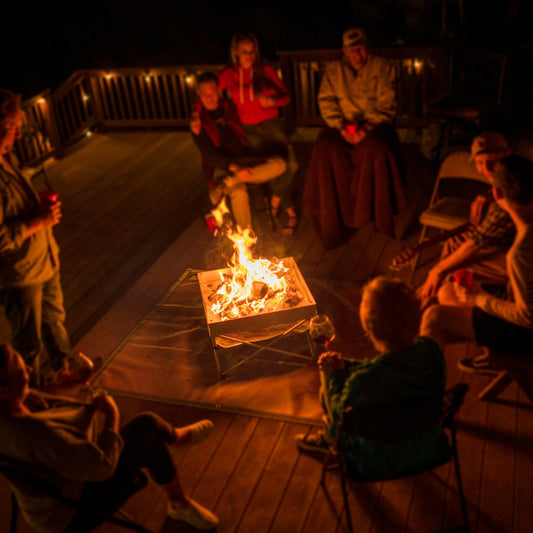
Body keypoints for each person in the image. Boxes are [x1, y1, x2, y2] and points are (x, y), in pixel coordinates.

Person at [0, 343, 219, 532]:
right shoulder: (36, 435)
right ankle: (176, 441)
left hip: (40, 504)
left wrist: (63, 385)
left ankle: (178, 498)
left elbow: (32, 395)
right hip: (71, 512)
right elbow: (102, 466)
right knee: (147, 426)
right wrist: (112, 416)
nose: (29, 369)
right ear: (4, 389)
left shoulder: (8, 413)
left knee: (146, 436)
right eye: (22, 371)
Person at [295, 277, 447, 480]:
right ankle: (328, 435)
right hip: (429, 447)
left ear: (368, 327)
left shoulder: (364, 382)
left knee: (326, 388)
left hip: (376, 462)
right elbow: (393, 367)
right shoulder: (431, 351)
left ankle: (329, 439)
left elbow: (341, 414)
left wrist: (335, 374)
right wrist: (347, 366)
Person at [0, 90, 91, 389]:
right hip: (19, 273)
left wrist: (41, 211)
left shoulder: (8, 159)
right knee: (28, 340)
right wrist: (38, 221)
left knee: (54, 320)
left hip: (44, 258)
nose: (18, 134)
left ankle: (60, 372)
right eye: (13, 128)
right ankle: (31, 395)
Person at [304, 27, 408, 249]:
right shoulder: (334, 71)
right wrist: (341, 128)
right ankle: (334, 215)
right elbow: (327, 100)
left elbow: (387, 103)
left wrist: (367, 127)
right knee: (325, 147)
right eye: (353, 51)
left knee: (375, 149)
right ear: (345, 51)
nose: (357, 55)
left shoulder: (382, 67)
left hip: (375, 125)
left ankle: (373, 213)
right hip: (344, 125)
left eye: (361, 50)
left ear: (367, 49)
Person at [422, 155, 533, 363]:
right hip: (520, 298)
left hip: (526, 332)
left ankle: (425, 389)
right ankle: (489, 349)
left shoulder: (521, 253)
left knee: (434, 317)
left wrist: (477, 299)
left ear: (497, 194)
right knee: (448, 292)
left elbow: (527, 318)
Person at [419, 132, 513, 307]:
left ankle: (439, 297)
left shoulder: (512, 187)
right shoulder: (503, 178)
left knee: (456, 265)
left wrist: (437, 270)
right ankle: (435, 290)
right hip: (501, 242)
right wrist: (487, 198)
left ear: (507, 153)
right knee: (454, 241)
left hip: (516, 256)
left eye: (492, 161)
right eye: (480, 162)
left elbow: (479, 242)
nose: (487, 169)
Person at [217, 32, 299, 234]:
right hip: (249, 129)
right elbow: (209, 93)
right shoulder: (230, 73)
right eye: (244, 52)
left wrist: (273, 101)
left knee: (291, 165)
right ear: (236, 52)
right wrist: (199, 115)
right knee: (269, 170)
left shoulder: (265, 69)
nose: (249, 55)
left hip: (271, 125)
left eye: (252, 51)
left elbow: (286, 97)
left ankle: (274, 203)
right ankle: (290, 214)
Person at [191, 72, 287, 231]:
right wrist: (236, 169)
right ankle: (246, 238)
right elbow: (210, 155)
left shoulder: (230, 106)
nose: (210, 97)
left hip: (246, 159)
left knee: (280, 164)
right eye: (205, 93)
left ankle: (228, 182)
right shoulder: (199, 123)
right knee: (239, 192)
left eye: (213, 91)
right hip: (222, 167)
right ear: (199, 94)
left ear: (218, 90)